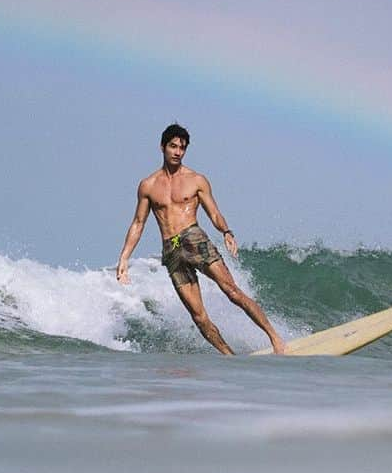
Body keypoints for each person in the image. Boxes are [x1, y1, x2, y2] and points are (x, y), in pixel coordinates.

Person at [116, 123, 287, 355]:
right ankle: (229, 356)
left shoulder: (196, 180)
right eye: (173, 146)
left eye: (182, 148)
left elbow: (214, 212)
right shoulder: (148, 186)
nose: (177, 152)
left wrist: (226, 232)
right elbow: (138, 223)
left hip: (194, 237)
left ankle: (275, 337)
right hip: (172, 248)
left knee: (232, 292)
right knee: (198, 316)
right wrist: (124, 258)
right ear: (162, 147)